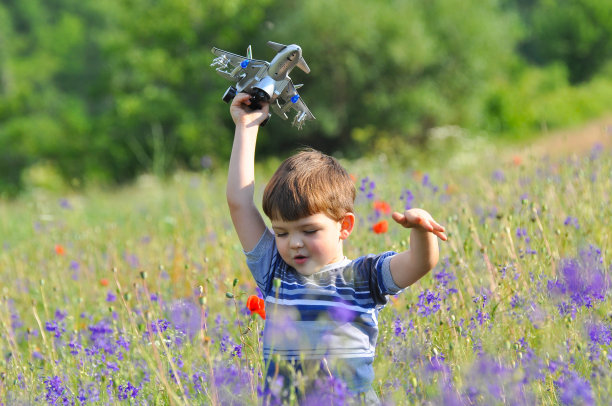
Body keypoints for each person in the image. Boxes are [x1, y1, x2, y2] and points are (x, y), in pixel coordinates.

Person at [226, 92, 447, 404]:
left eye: (309, 230)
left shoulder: (362, 277)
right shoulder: (274, 271)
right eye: (282, 233)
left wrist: (423, 231)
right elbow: (239, 203)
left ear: (344, 226)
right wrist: (247, 128)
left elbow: (419, 264)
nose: (295, 242)